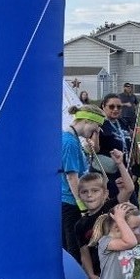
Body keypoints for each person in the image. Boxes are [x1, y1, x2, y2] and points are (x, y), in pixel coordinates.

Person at [61, 104, 105, 256]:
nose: (97, 131)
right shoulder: (69, 142)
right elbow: (72, 177)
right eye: (96, 127)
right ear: (86, 121)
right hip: (71, 202)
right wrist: (82, 206)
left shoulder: (75, 140)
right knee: (74, 247)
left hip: (74, 201)